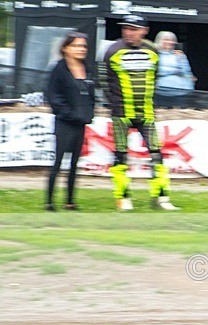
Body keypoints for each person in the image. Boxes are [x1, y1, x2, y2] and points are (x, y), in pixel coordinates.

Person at [102, 14, 179, 211]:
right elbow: (104, 81)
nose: (128, 32)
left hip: (146, 113)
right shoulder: (112, 51)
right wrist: (114, 104)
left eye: (133, 29)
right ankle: (123, 197)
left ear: (144, 31)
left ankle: (161, 198)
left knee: (156, 153)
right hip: (121, 113)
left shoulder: (153, 51)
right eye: (125, 28)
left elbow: (155, 77)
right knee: (121, 155)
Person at [44, 32, 95, 211]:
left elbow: (90, 95)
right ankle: (49, 201)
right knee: (58, 162)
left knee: (74, 163)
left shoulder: (86, 68)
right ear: (65, 48)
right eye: (76, 46)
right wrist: (68, 113)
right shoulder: (58, 69)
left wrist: (89, 113)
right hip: (65, 122)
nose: (81, 49)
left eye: (83, 46)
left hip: (81, 123)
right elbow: (52, 96)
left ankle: (70, 201)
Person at [154, 31, 195, 109]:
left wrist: (190, 88)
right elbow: (158, 71)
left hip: (180, 93)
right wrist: (174, 71)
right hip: (161, 92)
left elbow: (187, 73)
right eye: (166, 39)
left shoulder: (180, 56)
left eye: (171, 40)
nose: (170, 42)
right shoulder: (155, 54)